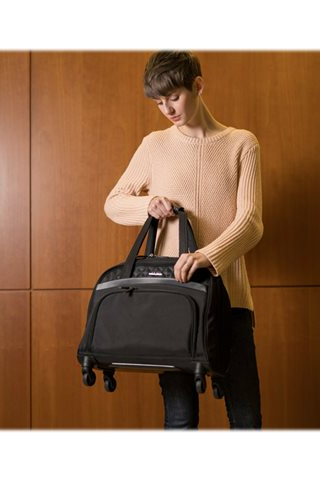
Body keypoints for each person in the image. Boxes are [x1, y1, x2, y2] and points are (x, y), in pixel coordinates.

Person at [104, 51, 264, 429]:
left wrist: (207, 256)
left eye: (174, 97)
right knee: (179, 419)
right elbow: (113, 203)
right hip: (171, 301)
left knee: (246, 419)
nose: (167, 110)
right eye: (159, 102)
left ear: (198, 85)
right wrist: (148, 205)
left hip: (229, 300)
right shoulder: (154, 145)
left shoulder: (242, 144)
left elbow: (251, 222)